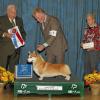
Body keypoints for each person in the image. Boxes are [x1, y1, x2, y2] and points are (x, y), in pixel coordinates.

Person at [0, 4, 26, 73]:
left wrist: (22, 40)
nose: (14, 14)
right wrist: (5, 34)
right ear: (7, 11)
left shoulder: (19, 20)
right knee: (2, 70)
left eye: (15, 12)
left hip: (16, 50)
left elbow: (23, 32)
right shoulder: (1, 19)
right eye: (12, 12)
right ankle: (2, 83)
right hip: (4, 50)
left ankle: (12, 83)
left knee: (13, 70)